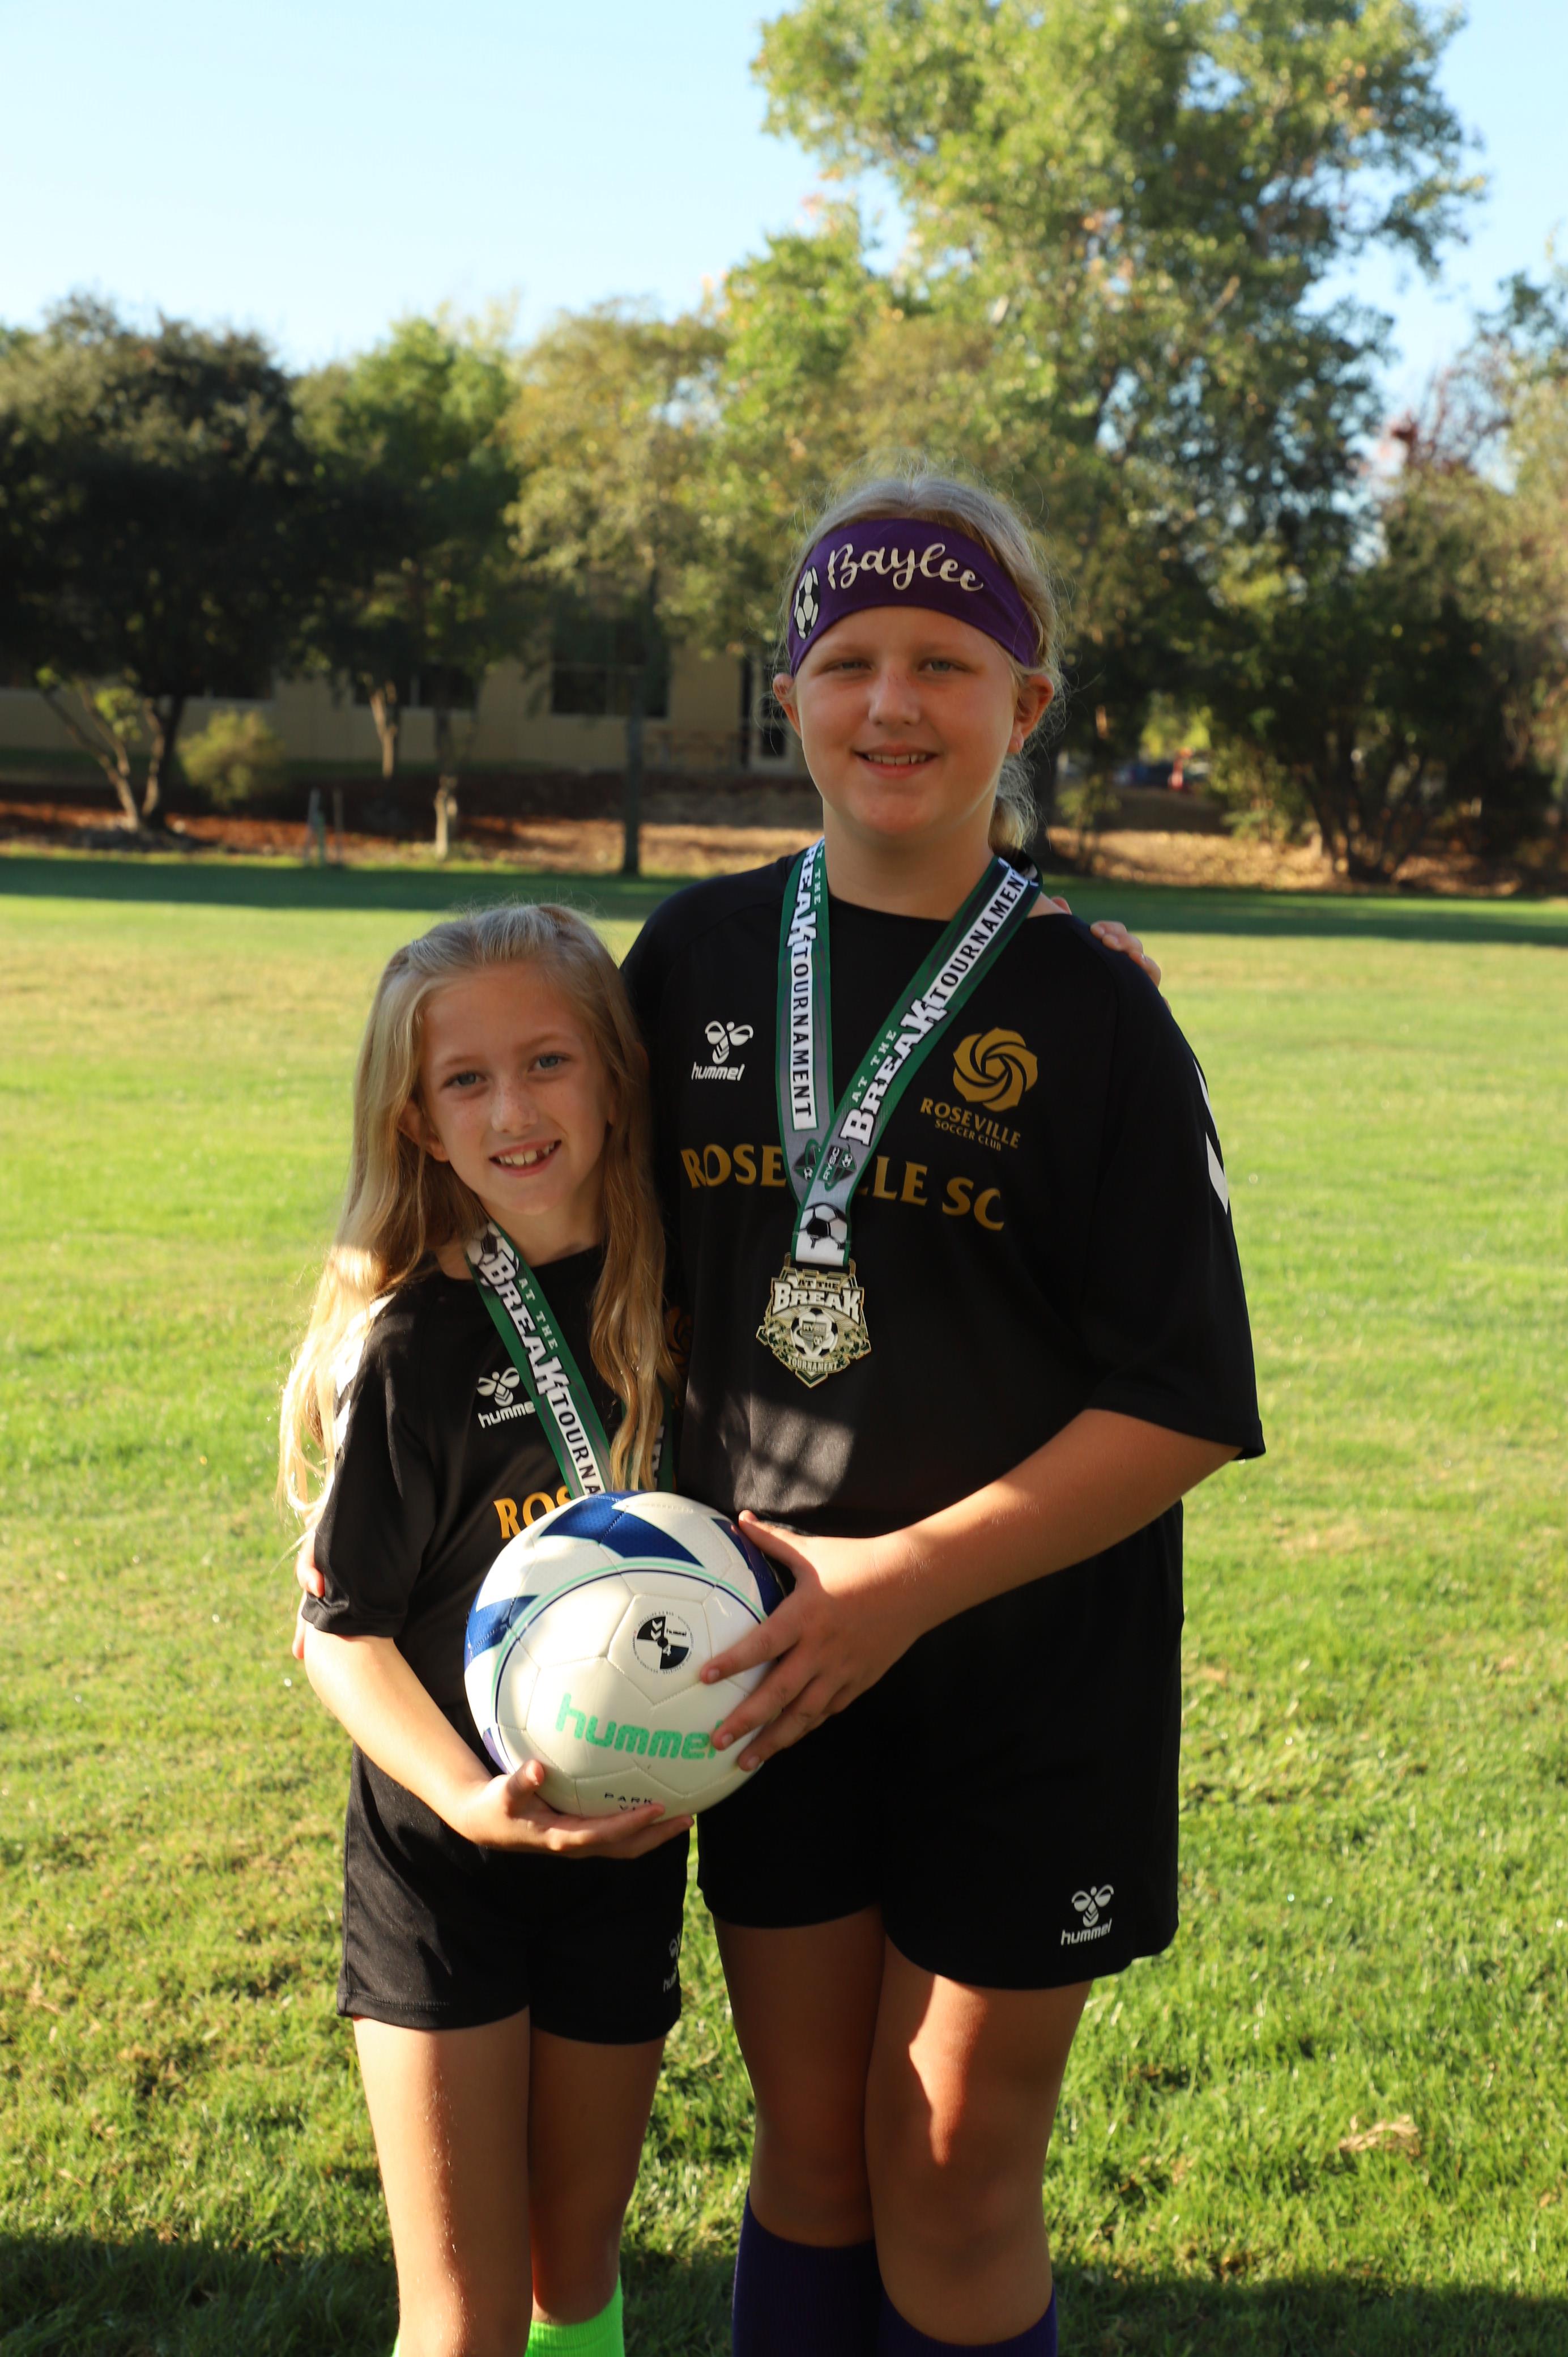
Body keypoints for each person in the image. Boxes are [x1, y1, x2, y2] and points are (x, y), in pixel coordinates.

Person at [619, 465, 1264, 2356]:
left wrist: (896, 1584)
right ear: (790, 696)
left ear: (1024, 704)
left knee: (956, 2168)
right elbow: (583, 1249)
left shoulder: (1092, 1010)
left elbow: (1183, 1402)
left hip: (1025, 1672)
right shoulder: (692, 960)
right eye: (847, 661)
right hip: (760, 1661)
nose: (890, 702)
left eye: (943, 662)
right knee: (815, 2153)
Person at [280, 902, 689, 2357]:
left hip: (626, 1842)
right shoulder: (415, 1345)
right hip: (440, 1860)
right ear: (420, 1119)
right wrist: (468, 1798)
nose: (513, 1111)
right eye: (468, 1080)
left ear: (615, 1077)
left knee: (572, 2274)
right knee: (462, 2318)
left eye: (547, 1062)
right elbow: (339, 1635)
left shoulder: (690, 1289)